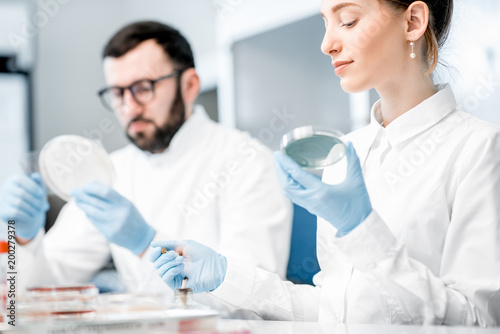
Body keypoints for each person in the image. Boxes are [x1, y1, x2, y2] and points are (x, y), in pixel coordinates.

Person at [149, 0, 500, 326]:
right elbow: (336, 311)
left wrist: (361, 229)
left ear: (412, 22)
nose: (327, 44)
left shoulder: (479, 149)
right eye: (325, 23)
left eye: (348, 21)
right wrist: (227, 276)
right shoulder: (346, 152)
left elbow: (477, 321)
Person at [0, 21, 292, 298]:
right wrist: (24, 239)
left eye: (143, 88)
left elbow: (257, 300)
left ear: (190, 86)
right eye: (117, 92)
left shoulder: (247, 160)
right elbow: (36, 288)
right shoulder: (112, 170)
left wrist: (146, 243)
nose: (129, 107)